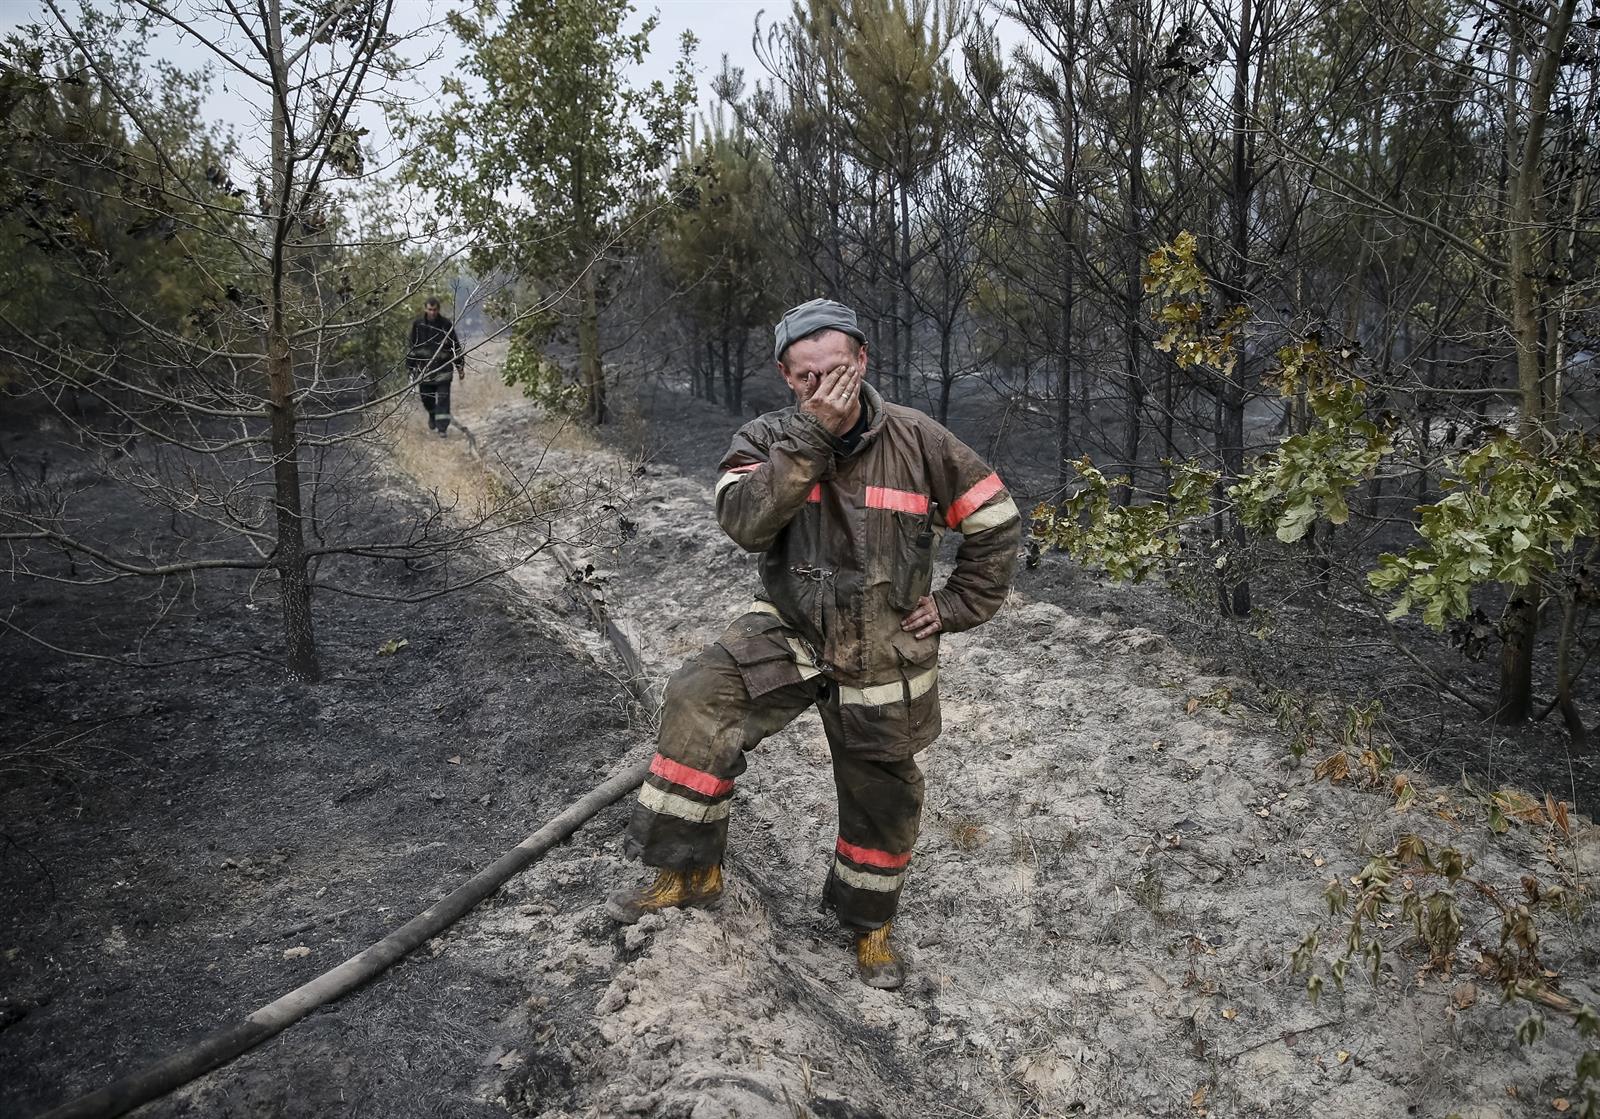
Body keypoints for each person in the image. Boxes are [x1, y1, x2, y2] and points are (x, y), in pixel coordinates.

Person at [607, 298, 1021, 989]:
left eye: (836, 369)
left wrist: (954, 605)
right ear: (785, 377)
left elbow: (997, 521)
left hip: (882, 646)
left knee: (882, 790)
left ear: (863, 359)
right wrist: (810, 437)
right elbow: (742, 522)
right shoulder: (764, 437)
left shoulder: (922, 441)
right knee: (697, 699)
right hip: (790, 627)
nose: (824, 386)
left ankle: (868, 925)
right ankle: (689, 869)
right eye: (806, 377)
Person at [408, 297, 465, 437]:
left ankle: (442, 429)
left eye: (434, 310)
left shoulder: (446, 325)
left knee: (443, 400)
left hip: (443, 370)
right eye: (430, 310)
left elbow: (455, 347)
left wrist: (460, 367)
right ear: (425, 309)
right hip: (424, 371)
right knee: (427, 399)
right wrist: (410, 368)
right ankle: (432, 415)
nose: (432, 312)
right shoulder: (418, 325)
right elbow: (412, 348)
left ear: (438, 310)